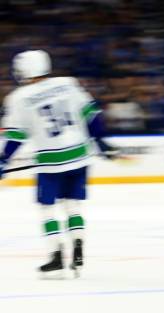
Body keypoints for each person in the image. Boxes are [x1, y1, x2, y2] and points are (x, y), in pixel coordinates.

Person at [0, 50, 117, 278]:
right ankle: (78, 247)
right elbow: (91, 114)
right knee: (73, 205)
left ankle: (55, 255)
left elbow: (16, 136)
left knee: (47, 208)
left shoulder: (18, 97)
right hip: (79, 154)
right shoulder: (68, 83)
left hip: (51, 161)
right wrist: (100, 141)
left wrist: (3, 159)